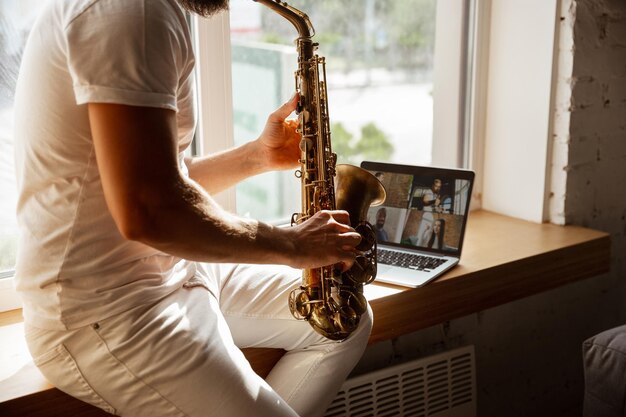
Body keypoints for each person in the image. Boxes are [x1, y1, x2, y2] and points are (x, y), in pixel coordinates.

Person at [12, 1, 371, 416]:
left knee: (344, 321)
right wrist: (292, 245)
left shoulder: (153, 10)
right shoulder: (130, 11)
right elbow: (148, 210)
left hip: (172, 270)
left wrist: (256, 156)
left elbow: (160, 179)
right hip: (106, 312)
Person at [410, 179, 442, 246]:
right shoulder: (428, 191)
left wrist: (438, 208)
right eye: (436, 186)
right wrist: (434, 201)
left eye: (439, 187)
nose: (438, 188)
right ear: (433, 185)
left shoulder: (435, 195)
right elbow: (425, 201)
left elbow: (434, 206)